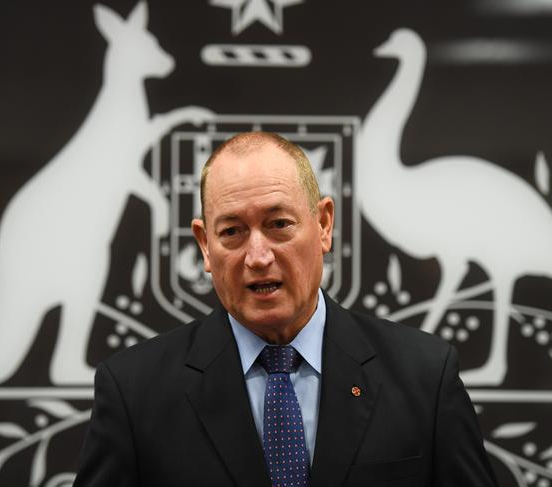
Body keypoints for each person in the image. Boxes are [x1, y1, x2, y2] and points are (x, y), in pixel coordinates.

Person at [73, 132, 497, 486]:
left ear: (324, 224)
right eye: (232, 232)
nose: (257, 256)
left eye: (278, 224)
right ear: (205, 245)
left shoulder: (424, 377)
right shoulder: (134, 393)